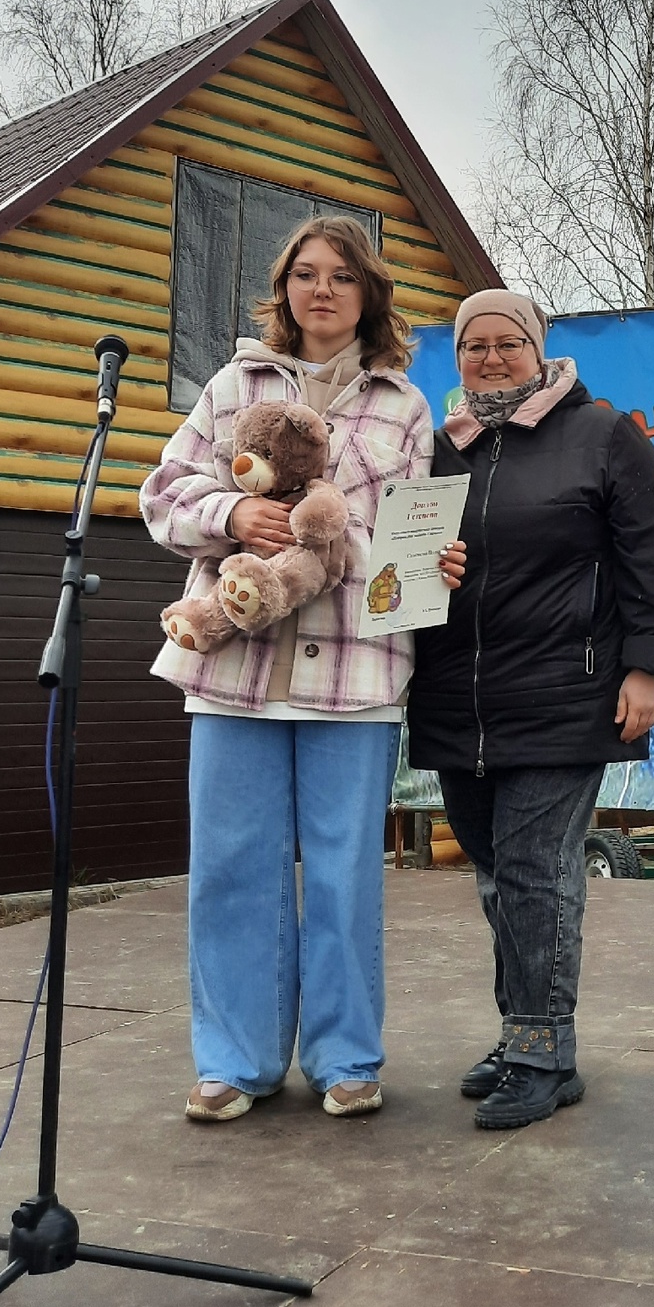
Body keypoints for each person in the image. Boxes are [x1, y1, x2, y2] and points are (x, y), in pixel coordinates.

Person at [141, 215, 464, 1125]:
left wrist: (372, 545)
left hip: (353, 682)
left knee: (344, 875)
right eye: (306, 275)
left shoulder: (403, 407)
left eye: (342, 277)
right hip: (232, 675)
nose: (322, 290)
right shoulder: (233, 383)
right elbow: (162, 495)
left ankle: (345, 1058)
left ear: (369, 296)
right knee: (230, 869)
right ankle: (233, 1061)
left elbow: (410, 538)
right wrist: (233, 520)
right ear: (284, 290)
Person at [406, 290, 654, 1131]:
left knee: (537, 873)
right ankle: (517, 1030)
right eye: (473, 348)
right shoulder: (438, 451)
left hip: (567, 694)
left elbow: (652, 555)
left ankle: (542, 1051)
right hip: (458, 698)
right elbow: (408, 573)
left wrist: (646, 668)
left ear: (539, 349)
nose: (490, 359)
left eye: (507, 343)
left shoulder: (601, 433)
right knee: (497, 876)